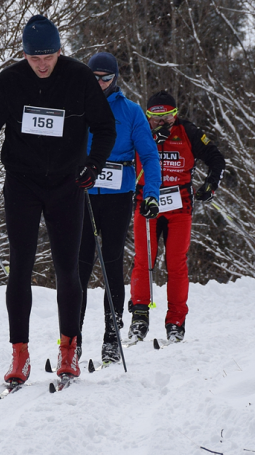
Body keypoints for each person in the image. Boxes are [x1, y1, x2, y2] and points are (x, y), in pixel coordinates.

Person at [0, 15, 116, 384]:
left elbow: (105, 127)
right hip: (23, 185)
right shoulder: (10, 82)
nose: (43, 64)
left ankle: (68, 350)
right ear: (24, 55)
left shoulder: (78, 78)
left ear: (61, 50)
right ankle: (20, 355)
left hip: (66, 185)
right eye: (35, 58)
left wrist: (93, 166)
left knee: (68, 269)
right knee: (20, 269)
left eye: (49, 56)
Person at [77, 52, 162, 364]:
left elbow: (150, 156)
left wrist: (150, 193)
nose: (99, 84)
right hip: (83, 194)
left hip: (116, 195)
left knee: (111, 261)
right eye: (94, 77)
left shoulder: (130, 112)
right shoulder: (77, 105)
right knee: (79, 265)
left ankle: (112, 336)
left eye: (106, 78)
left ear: (115, 79)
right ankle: (72, 339)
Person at [129, 90, 226, 343]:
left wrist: (210, 185)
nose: (161, 124)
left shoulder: (188, 132)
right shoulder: (139, 129)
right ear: (147, 116)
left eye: (168, 118)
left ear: (176, 115)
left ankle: (176, 322)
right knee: (143, 260)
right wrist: (150, 137)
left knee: (176, 263)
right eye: (155, 118)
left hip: (178, 206)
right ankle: (139, 318)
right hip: (146, 202)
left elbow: (217, 159)